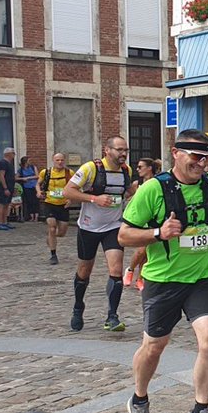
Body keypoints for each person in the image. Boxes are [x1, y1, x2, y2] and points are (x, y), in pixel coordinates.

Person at [120, 129, 208, 413]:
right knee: (154, 346)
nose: (202, 164)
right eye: (196, 157)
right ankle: (139, 399)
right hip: (163, 281)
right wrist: (158, 233)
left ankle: (200, 412)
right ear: (176, 154)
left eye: (206, 158)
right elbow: (124, 236)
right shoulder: (153, 189)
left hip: (201, 278)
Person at [64, 136, 135, 332]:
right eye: (119, 150)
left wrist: (135, 195)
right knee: (84, 270)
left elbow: (129, 190)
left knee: (116, 270)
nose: (123, 154)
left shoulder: (126, 171)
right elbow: (68, 192)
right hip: (89, 227)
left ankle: (112, 316)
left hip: (113, 226)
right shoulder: (91, 168)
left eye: (125, 150)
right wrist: (95, 199)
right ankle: (78, 307)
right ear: (107, 150)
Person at [125, 158, 161, 288]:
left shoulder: (157, 183)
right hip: (140, 220)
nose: (137, 169)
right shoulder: (137, 183)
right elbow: (128, 197)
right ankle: (130, 269)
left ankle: (140, 278)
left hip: (152, 220)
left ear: (149, 168)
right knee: (141, 251)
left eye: (140, 167)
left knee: (147, 253)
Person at [37, 153, 73, 265]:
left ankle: (51, 237)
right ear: (53, 160)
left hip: (63, 205)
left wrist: (70, 199)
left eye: (62, 160)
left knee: (61, 232)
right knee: (52, 227)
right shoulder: (46, 172)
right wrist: (38, 192)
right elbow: (38, 184)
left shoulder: (69, 173)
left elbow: (75, 187)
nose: (60, 162)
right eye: (57, 160)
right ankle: (53, 255)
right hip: (49, 203)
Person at [0, 148, 17, 229]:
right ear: (8, 154)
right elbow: (2, 176)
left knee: (7, 204)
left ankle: (5, 222)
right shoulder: (3, 163)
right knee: (2, 204)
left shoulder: (10, 163)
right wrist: (5, 188)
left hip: (10, 186)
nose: (14, 155)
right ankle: (0, 223)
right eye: (13, 153)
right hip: (5, 187)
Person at [18, 155, 40, 222]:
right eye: (29, 161)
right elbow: (16, 178)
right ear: (25, 162)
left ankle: (36, 216)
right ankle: (31, 216)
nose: (30, 162)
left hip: (34, 186)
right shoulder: (21, 170)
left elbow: (37, 176)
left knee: (36, 201)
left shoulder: (33, 167)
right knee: (29, 201)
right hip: (27, 187)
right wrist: (23, 179)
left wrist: (29, 178)